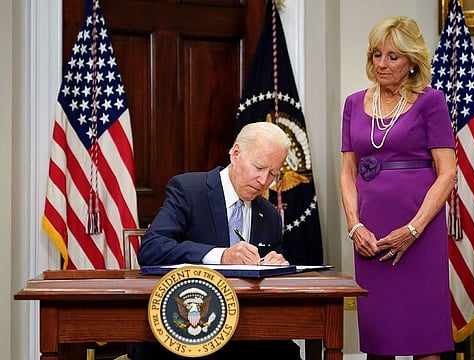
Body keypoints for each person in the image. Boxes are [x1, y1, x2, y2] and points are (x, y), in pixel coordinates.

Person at [129, 121, 301, 360]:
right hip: (186, 326)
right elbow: (152, 248)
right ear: (236, 153)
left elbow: (266, 283)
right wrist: (221, 256)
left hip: (247, 329)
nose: (264, 181)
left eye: (273, 173)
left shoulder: (270, 215)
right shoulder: (189, 190)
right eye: (259, 167)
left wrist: (276, 266)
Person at [340, 17, 456, 360]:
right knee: (379, 335)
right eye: (377, 55)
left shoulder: (430, 101)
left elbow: (447, 173)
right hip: (370, 230)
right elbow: (347, 172)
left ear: (411, 61)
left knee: (425, 339)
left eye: (393, 56)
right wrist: (354, 226)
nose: (382, 64)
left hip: (419, 227)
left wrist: (413, 229)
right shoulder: (353, 103)